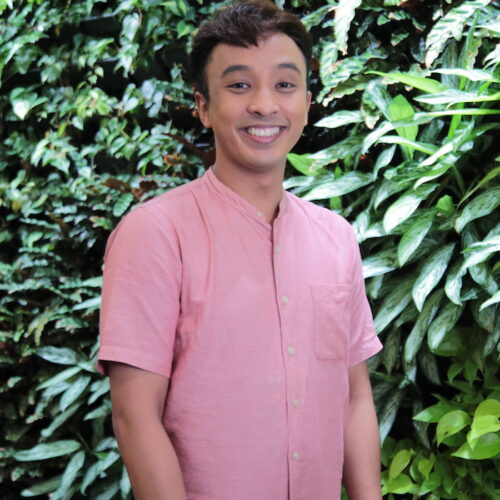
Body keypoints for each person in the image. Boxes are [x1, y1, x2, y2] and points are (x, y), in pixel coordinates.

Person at [97, 1, 383, 499]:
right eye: (239, 85)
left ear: (307, 102)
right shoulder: (155, 234)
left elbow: (355, 396)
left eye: (285, 84)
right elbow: (135, 416)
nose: (265, 105)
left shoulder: (336, 237)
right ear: (203, 106)